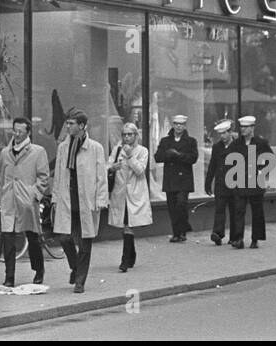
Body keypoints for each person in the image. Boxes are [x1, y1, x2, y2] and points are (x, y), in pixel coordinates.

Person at [54, 109, 108, 293]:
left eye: (71, 123)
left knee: (85, 241)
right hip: (68, 200)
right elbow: (59, 175)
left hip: (87, 201)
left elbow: (101, 176)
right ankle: (76, 268)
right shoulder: (63, 147)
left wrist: (101, 199)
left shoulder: (95, 148)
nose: (67, 126)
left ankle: (80, 281)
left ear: (82, 126)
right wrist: (55, 197)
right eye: (67, 123)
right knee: (64, 237)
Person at [0, 116, 49, 287]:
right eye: (15, 130)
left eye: (20, 131)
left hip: (27, 201)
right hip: (9, 200)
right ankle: (9, 276)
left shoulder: (38, 151)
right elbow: (2, 175)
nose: (17, 134)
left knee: (33, 237)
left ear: (28, 132)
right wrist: (2, 192)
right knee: (8, 238)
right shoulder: (5, 152)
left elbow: (43, 177)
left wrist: (34, 195)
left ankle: (38, 270)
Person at [107, 122, 151, 272]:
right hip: (120, 193)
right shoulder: (117, 149)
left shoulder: (142, 151)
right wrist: (113, 167)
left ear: (135, 135)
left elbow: (140, 171)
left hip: (135, 193)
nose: (127, 138)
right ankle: (131, 255)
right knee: (125, 224)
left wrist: (130, 156)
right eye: (124, 135)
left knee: (128, 224)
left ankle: (125, 260)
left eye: (130, 134)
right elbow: (108, 165)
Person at [229, 115, 272, 248]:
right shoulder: (236, 144)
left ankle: (255, 239)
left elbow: (271, 159)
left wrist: (262, 171)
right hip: (240, 181)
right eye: (241, 127)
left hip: (255, 182)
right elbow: (229, 161)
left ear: (252, 128)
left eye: (246, 127)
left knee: (257, 211)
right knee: (238, 210)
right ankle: (238, 239)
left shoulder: (261, 143)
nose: (243, 130)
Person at [154, 113, 198, 242]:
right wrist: (168, 154)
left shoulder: (190, 141)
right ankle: (176, 233)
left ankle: (183, 230)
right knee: (172, 207)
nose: (179, 127)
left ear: (185, 126)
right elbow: (158, 157)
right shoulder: (165, 141)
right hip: (170, 178)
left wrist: (179, 155)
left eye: (182, 124)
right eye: (177, 124)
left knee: (181, 204)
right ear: (173, 125)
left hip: (184, 179)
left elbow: (193, 158)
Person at [204, 120, 236, 244]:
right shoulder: (217, 147)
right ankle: (218, 233)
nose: (222, 136)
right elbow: (212, 165)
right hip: (221, 184)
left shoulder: (238, 146)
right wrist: (208, 182)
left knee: (234, 211)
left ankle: (234, 236)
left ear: (230, 132)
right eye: (220, 134)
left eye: (224, 134)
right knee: (219, 209)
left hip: (235, 184)